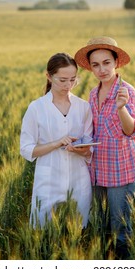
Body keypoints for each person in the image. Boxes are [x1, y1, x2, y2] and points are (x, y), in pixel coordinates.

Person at [74, 37, 135, 259]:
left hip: (121, 170)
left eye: (106, 62)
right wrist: (80, 145)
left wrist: (122, 109)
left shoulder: (127, 91)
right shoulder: (93, 94)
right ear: (90, 67)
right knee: (101, 225)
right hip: (98, 169)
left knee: (120, 228)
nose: (101, 69)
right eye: (95, 65)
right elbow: (95, 132)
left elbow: (131, 130)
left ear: (116, 63)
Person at [20, 52, 93, 229]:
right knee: (42, 232)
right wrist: (56, 143)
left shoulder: (84, 107)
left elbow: (90, 149)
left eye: (73, 79)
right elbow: (26, 149)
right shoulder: (36, 108)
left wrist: (81, 150)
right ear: (48, 76)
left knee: (80, 230)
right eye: (62, 80)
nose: (68, 85)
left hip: (79, 178)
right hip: (48, 180)